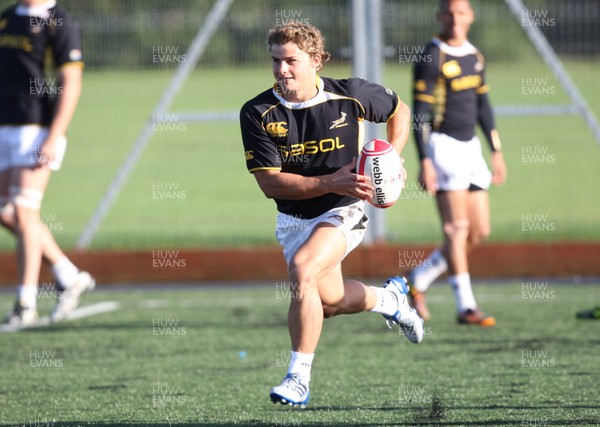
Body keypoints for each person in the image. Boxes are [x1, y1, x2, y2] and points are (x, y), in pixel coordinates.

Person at [240, 22, 423, 408]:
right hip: (294, 219)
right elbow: (271, 185)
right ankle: (389, 299)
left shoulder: (351, 95)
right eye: (276, 61)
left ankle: (297, 377)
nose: (282, 70)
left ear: (317, 61)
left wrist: (392, 155)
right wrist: (331, 180)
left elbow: (399, 110)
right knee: (330, 303)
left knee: (303, 269)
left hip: (345, 209)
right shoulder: (257, 112)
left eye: (291, 61)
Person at [407, 0, 507, 326]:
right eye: (449, 13)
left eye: (461, 12)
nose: (455, 19)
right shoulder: (431, 55)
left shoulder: (475, 55)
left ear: (471, 16)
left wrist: (496, 150)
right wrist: (425, 160)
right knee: (456, 228)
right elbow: (419, 114)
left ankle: (416, 280)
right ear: (440, 16)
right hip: (442, 147)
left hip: (471, 148)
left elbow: (484, 105)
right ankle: (466, 307)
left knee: (477, 231)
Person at [0, 0, 95, 326]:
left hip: (37, 130)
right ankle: (68, 275)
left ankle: (25, 303)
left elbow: (71, 82)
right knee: (6, 211)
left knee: (25, 212)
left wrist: (55, 135)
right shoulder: (9, 17)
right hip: (4, 128)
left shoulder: (59, 23)